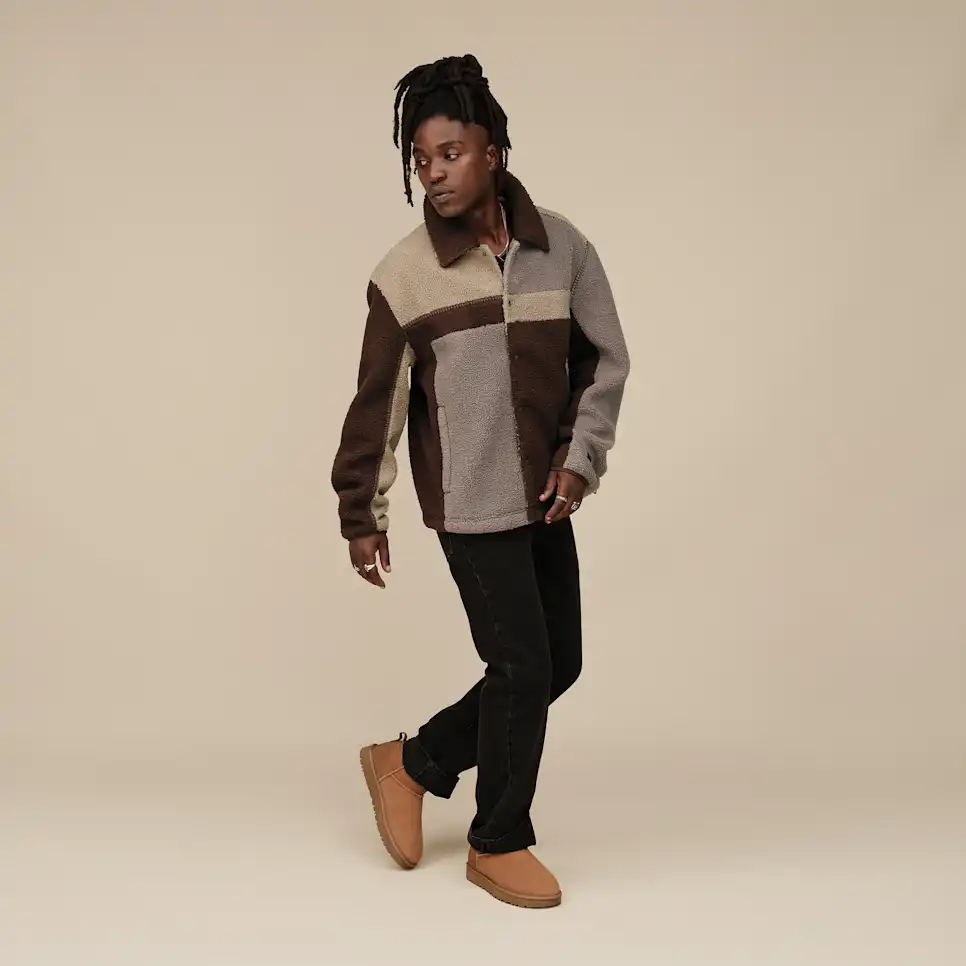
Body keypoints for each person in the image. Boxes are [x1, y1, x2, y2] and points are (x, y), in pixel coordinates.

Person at [331, 54, 630, 909]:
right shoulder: (404, 276)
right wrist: (363, 511)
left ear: (492, 152)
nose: (433, 172)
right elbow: (377, 403)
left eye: (450, 153)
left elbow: (604, 362)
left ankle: (411, 763)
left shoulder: (561, 248)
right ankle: (498, 839)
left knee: (556, 663)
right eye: (420, 159)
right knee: (522, 665)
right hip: (470, 507)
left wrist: (579, 459)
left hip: (548, 497)